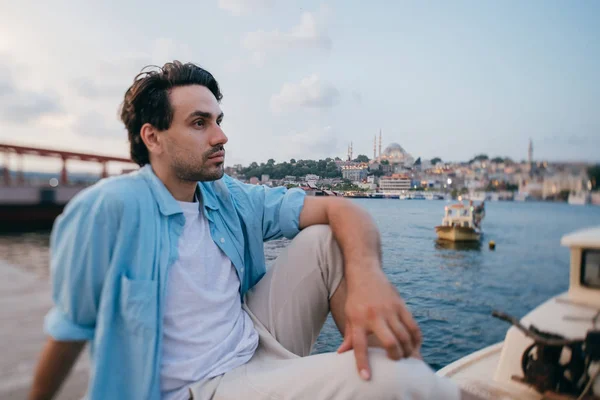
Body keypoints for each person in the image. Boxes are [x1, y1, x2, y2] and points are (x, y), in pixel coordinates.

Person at [28, 61, 476, 400]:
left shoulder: (229, 197)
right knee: (399, 380)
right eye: (200, 123)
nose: (221, 136)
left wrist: (367, 277)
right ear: (152, 137)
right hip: (198, 388)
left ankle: (384, 364)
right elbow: (69, 331)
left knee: (326, 237)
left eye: (219, 121)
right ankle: (399, 379)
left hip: (254, 341)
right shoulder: (110, 210)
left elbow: (340, 208)